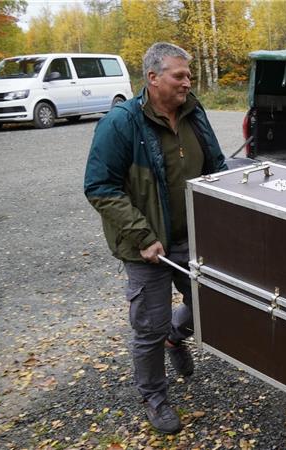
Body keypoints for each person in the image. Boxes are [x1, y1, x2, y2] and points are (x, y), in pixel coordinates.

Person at [84, 42, 227, 434]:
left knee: (211, 305)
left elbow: (217, 169)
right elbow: (99, 187)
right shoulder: (120, 124)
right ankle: (155, 397)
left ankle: (175, 337)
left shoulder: (195, 114)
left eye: (188, 75)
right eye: (179, 75)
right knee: (148, 326)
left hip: (195, 240)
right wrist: (142, 236)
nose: (188, 82)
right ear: (152, 77)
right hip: (148, 248)